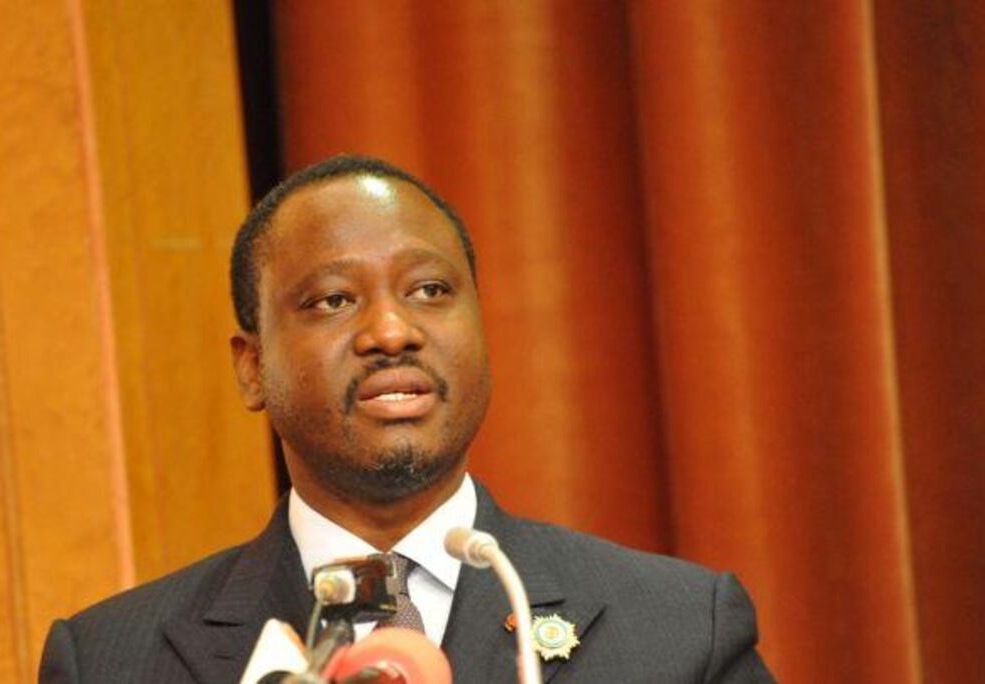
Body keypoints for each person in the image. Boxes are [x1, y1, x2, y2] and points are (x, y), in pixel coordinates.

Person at [39, 155, 775, 682]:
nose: (392, 332)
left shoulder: (680, 633)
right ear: (253, 367)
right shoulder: (111, 661)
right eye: (334, 300)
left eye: (429, 291)